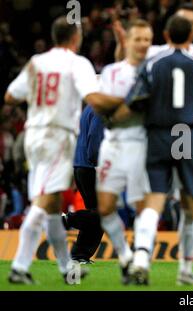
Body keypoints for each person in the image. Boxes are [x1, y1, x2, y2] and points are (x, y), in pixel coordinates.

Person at [110, 15, 193, 286]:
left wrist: (114, 120)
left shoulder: (152, 63)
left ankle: (140, 258)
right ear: (192, 35)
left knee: (155, 201)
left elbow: (135, 100)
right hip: (188, 137)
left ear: (166, 34)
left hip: (158, 136)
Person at [3, 16, 122, 284]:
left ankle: (66, 264)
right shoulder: (77, 64)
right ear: (75, 38)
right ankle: (21, 265)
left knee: (51, 203)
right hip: (56, 138)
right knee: (45, 205)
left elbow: (10, 96)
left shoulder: (37, 62)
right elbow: (93, 99)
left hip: (32, 136)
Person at [91, 19, 153, 285]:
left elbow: (150, 108)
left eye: (147, 40)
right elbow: (96, 104)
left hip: (141, 143)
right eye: (138, 39)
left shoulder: (153, 71)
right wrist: (129, 103)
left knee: (141, 206)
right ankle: (125, 256)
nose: (142, 44)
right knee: (105, 207)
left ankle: (141, 259)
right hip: (112, 144)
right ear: (127, 41)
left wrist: (114, 107)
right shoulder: (112, 71)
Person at [68, 104, 104, 264]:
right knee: (103, 213)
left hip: (81, 165)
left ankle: (79, 255)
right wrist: (98, 162)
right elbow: (95, 136)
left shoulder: (89, 106)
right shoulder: (101, 107)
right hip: (91, 166)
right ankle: (67, 219)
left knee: (96, 213)